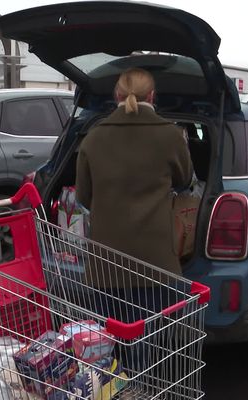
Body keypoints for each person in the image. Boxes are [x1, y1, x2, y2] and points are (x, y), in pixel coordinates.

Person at [75, 67, 193, 285]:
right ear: (151, 96)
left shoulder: (94, 137)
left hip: (106, 267)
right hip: (158, 264)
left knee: (110, 320)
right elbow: (184, 181)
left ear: (117, 95)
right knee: (160, 320)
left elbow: (83, 196)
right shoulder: (171, 136)